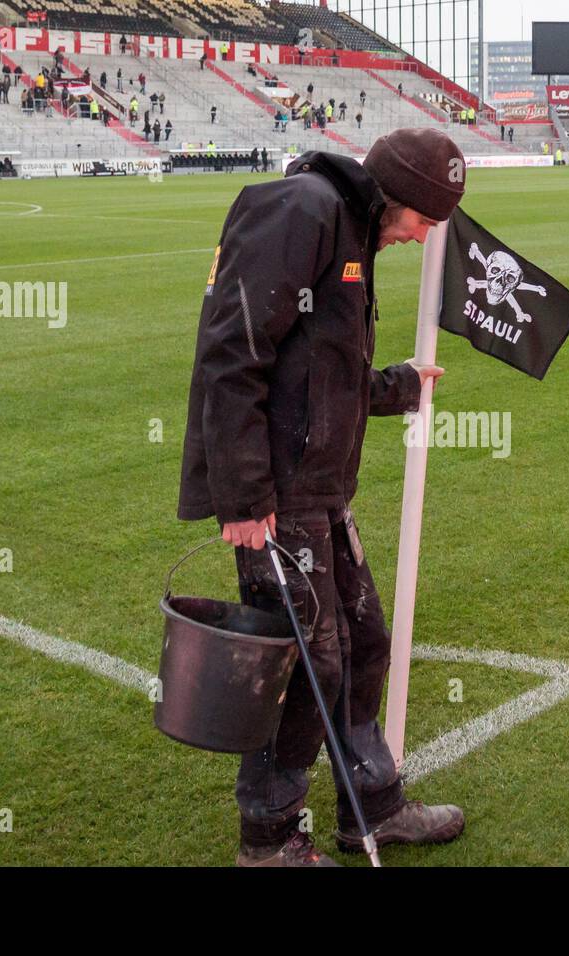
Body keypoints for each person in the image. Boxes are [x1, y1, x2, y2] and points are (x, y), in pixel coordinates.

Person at [177, 129, 467, 868]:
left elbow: (320, 373)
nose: (428, 235)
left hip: (322, 490)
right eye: (429, 218)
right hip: (275, 496)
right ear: (402, 197)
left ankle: (372, 808)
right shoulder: (302, 211)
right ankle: (269, 839)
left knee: (363, 643)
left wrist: (397, 385)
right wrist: (241, 498)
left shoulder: (351, 227)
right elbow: (232, 354)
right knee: (310, 662)